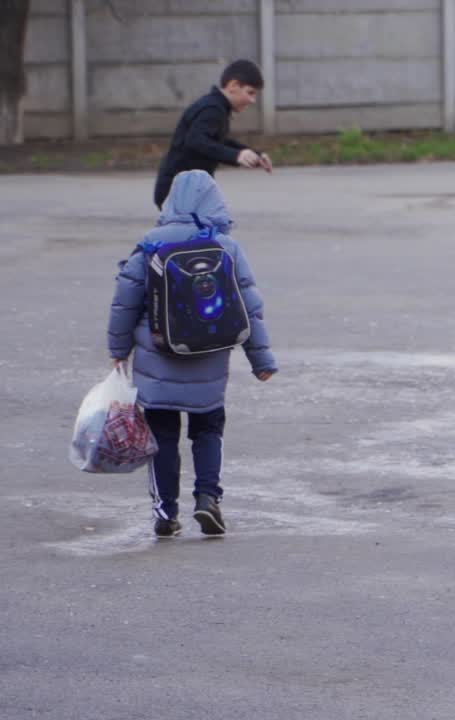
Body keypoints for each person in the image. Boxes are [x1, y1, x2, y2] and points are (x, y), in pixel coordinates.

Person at [109, 170, 277, 537]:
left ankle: (165, 513)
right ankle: (207, 499)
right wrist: (261, 361)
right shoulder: (226, 246)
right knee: (208, 430)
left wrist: (117, 351)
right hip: (210, 359)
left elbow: (125, 302)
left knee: (162, 437)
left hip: (158, 360)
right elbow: (249, 307)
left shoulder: (151, 244)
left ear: (171, 201)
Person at [153, 60, 272, 210]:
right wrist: (235, 155)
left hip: (189, 189)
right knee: (204, 228)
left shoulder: (216, 106)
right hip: (179, 190)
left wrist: (251, 154)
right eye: (250, 93)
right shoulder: (212, 109)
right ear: (233, 85)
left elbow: (217, 142)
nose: (252, 100)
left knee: (209, 226)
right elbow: (196, 141)